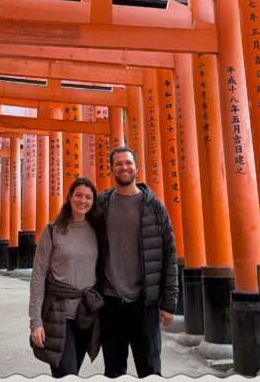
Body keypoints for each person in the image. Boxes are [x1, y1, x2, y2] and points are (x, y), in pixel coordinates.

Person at [97, 146, 178, 378]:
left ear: (136, 167)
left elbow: (169, 255)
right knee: (113, 369)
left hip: (145, 303)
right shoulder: (102, 205)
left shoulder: (154, 207)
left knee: (150, 368)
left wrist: (169, 303)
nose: (124, 167)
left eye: (128, 163)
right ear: (111, 169)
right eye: (119, 163)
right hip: (110, 302)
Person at [28, 178, 104, 377]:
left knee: (73, 371)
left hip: (85, 315)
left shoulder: (97, 231)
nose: (82, 200)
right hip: (57, 313)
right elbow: (38, 276)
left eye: (88, 197)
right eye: (78, 195)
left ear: (93, 201)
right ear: (70, 197)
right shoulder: (53, 230)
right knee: (66, 373)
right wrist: (35, 322)